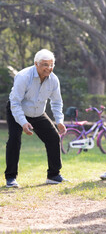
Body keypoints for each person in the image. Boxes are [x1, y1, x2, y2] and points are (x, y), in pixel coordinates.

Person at [5, 49, 67, 188]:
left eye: (51, 65)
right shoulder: (23, 76)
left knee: (53, 137)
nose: (49, 68)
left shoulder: (53, 79)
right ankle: (10, 178)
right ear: (36, 64)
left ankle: (53, 175)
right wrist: (23, 122)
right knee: (14, 139)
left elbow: (56, 102)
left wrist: (59, 121)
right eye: (45, 64)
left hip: (38, 113)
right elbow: (15, 103)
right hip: (17, 110)